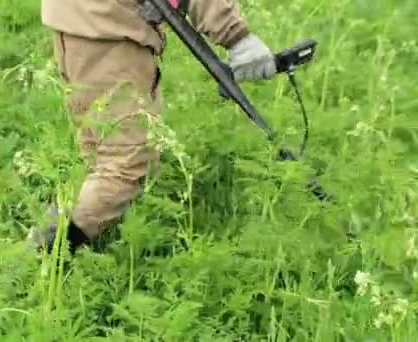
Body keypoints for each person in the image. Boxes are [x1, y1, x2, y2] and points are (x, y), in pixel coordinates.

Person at [28, 0, 277, 254]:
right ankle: (41, 256)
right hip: (106, 29)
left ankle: (57, 247)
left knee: (101, 156)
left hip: (81, 20)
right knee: (126, 165)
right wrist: (236, 35)